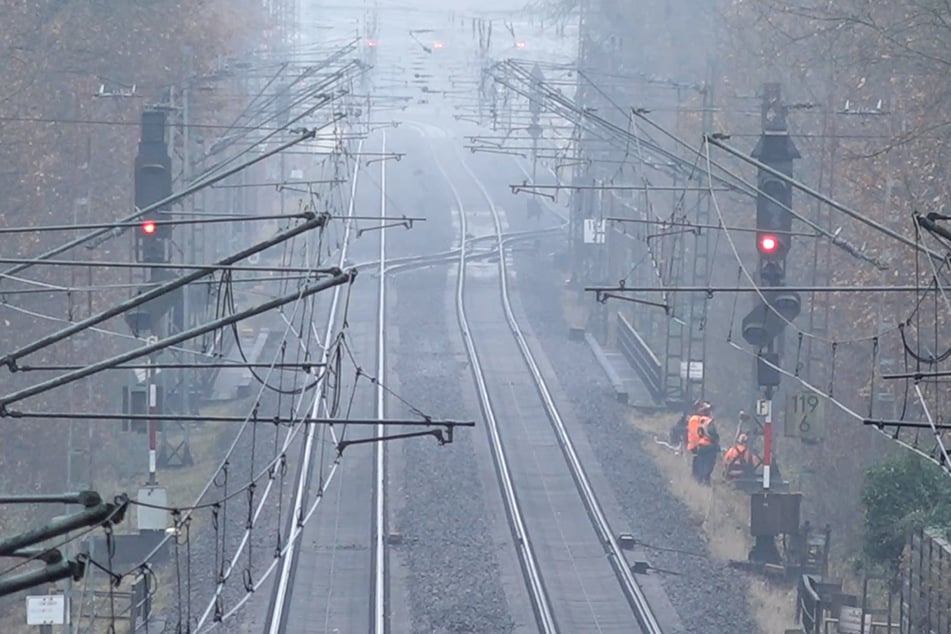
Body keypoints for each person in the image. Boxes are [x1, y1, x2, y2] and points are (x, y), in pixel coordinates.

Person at [693, 415, 720, 484]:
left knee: (701, 465)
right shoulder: (709, 423)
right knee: (708, 465)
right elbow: (714, 435)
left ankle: (699, 481)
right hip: (709, 446)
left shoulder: (700, 423)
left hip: (701, 446)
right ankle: (705, 481)